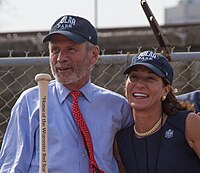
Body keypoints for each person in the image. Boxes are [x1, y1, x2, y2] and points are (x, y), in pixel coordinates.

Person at [0, 15, 132, 173]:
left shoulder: (118, 107)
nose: (60, 59)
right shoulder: (30, 102)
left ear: (94, 55)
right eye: (55, 50)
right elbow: (12, 166)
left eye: (71, 49)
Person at [115, 51, 200, 173]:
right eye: (134, 76)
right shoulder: (120, 141)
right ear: (125, 86)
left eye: (150, 78)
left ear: (165, 90)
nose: (139, 84)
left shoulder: (189, 124)